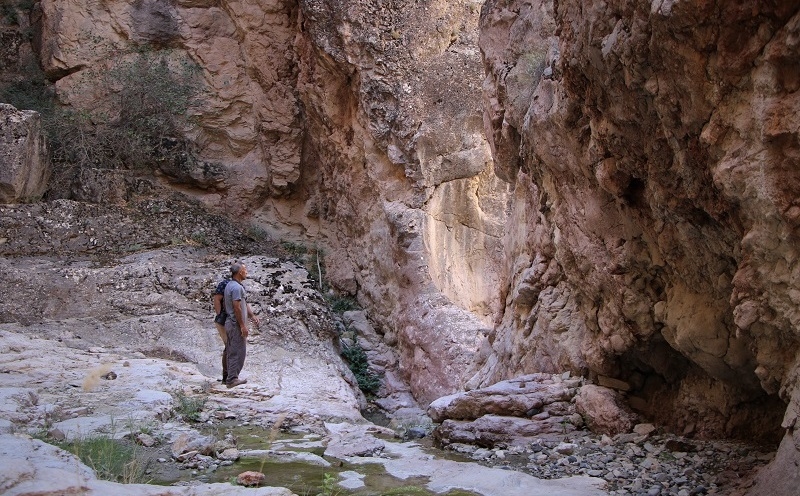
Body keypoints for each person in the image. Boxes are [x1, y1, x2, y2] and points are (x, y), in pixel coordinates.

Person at [223, 262, 259, 388]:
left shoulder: (233, 285)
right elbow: (237, 308)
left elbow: (244, 303)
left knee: (232, 350)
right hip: (235, 324)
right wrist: (242, 326)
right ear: (239, 272)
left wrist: (252, 315)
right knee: (237, 352)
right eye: (245, 270)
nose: (246, 272)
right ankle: (232, 379)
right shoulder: (237, 288)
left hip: (231, 323)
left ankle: (228, 377)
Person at [212, 277, 229, 383]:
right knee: (229, 347)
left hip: (230, 321)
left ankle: (228, 376)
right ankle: (226, 377)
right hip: (224, 320)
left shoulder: (239, 286)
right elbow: (217, 299)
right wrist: (220, 315)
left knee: (230, 347)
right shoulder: (225, 284)